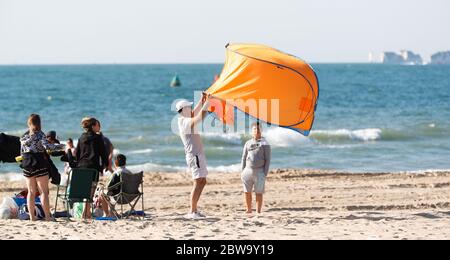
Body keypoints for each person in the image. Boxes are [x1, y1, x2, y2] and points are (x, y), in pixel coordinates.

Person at [20, 114, 64, 221]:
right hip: (39, 163)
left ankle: (32, 217)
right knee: (43, 192)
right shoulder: (40, 135)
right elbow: (48, 147)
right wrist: (62, 146)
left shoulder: (23, 136)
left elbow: (21, 152)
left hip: (27, 164)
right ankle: (48, 217)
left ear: (29, 123)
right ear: (39, 123)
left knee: (31, 192)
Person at [176, 93, 211, 219]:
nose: (191, 109)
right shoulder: (184, 122)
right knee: (198, 182)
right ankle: (192, 211)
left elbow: (195, 113)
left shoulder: (185, 118)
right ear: (184, 110)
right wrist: (208, 103)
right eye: (189, 107)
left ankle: (194, 210)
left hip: (197, 154)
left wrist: (202, 101)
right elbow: (200, 116)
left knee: (203, 181)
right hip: (194, 155)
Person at [75, 117, 108, 218]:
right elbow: (103, 153)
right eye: (98, 125)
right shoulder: (98, 138)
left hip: (81, 167)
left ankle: (87, 212)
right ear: (93, 126)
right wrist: (105, 164)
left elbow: (77, 154)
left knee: (85, 191)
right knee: (91, 191)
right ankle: (86, 212)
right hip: (93, 167)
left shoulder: (81, 137)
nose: (100, 127)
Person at [241, 122, 271, 214]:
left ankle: (258, 211)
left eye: (258, 129)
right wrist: (243, 171)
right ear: (252, 131)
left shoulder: (265, 143)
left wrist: (264, 173)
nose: (256, 130)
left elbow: (267, 160)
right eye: (254, 129)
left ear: (261, 130)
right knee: (247, 192)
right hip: (248, 171)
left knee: (259, 192)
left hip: (259, 171)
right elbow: (243, 157)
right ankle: (249, 209)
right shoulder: (247, 143)